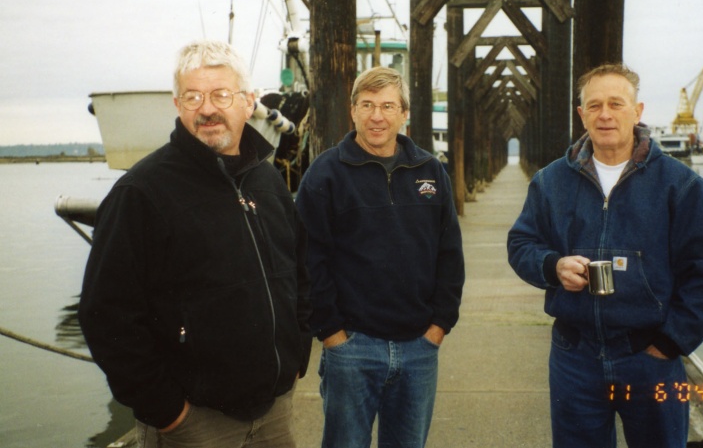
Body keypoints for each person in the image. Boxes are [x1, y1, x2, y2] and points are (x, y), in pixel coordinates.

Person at [79, 40, 312, 448]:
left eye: (221, 94)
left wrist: (297, 357)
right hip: (194, 424)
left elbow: (299, 273)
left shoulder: (268, 181)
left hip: (275, 412)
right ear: (177, 103)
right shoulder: (141, 193)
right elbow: (106, 316)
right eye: (194, 96)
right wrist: (168, 412)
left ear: (247, 102)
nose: (207, 109)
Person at [507, 63, 703, 448]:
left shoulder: (680, 185)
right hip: (573, 358)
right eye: (594, 106)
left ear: (638, 110)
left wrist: (671, 342)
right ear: (581, 115)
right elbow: (521, 244)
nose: (605, 114)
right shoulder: (550, 181)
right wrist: (553, 265)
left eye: (616, 103)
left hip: (653, 360)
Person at [295, 66, 465, 448]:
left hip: (419, 348)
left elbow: (450, 254)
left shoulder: (430, 171)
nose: (377, 116)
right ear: (352, 110)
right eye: (367, 105)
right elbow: (308, 261)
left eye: (388, 106)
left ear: (404, 113)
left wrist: (439, 326)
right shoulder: (325, 175)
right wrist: (332, 334)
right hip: (352, 347)